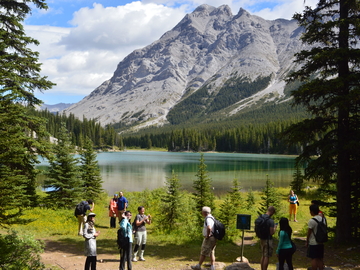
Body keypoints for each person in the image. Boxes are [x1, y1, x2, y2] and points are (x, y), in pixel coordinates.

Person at [306, 204, 325, 270]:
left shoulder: (312, 220)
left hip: (313, 242)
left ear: (312, 211)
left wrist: (307, 241)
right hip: (321, 241)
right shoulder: (323, 219)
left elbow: (309, 232)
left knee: (314, 258)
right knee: (319, 258)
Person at [259, 206, 276, 270]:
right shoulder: (270, 221)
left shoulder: (261, 217)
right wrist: (275, 228)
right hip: (268, 239)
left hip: (261, 238)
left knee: (263, 255)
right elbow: (271, 232)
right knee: (267, 256)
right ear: (271, 211)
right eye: (273, 212)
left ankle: (262, 268)